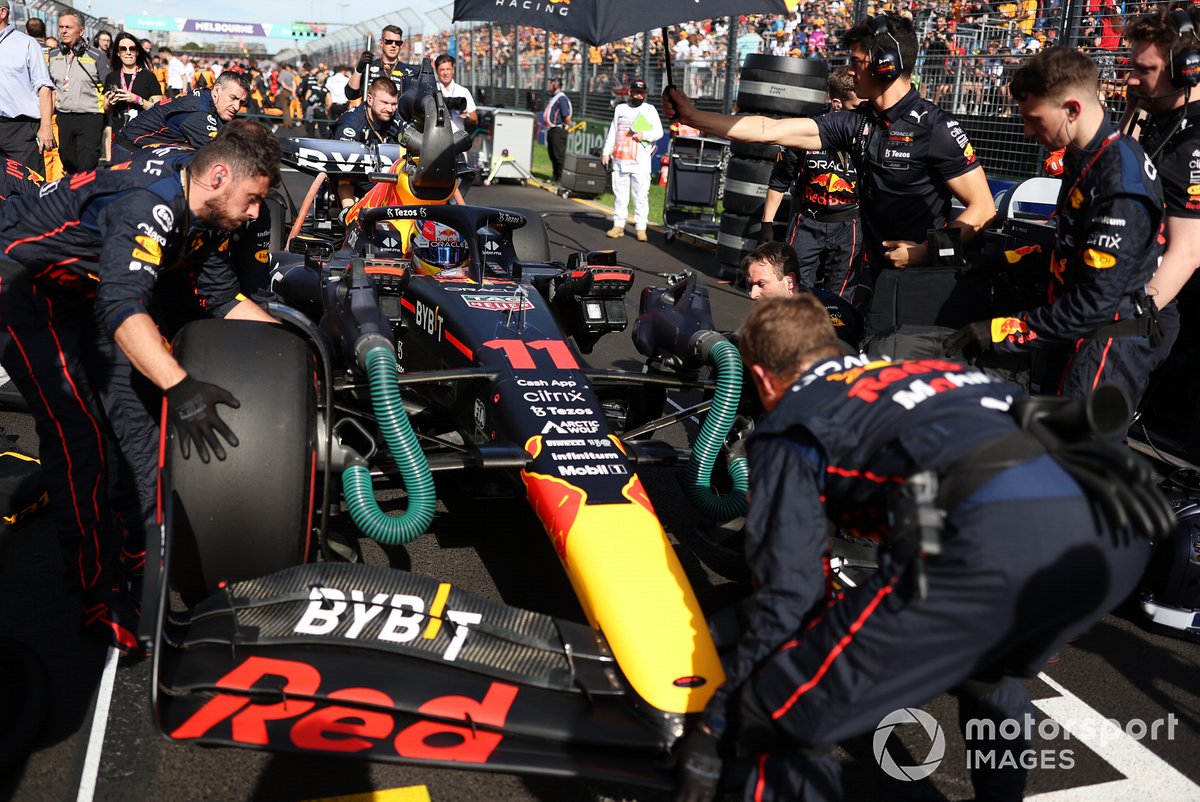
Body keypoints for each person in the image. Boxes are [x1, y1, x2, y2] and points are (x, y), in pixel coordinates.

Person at [674, 293, 1152, 802]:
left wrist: (719, 722)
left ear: (764, 378)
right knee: (990, 665)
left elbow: (787, 598)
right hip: (1120, 527)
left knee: (775, 709)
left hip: (999, 533)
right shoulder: (918, 373)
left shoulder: (794, 422)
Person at [0, 123, 280, 656]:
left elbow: (224, 299)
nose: (253, 214)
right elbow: (125, 310)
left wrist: (302, 355)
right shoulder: (147, 205)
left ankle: (139, 559)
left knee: (143, 430)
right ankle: (95, 597)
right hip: (19, 280)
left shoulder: (202, 208)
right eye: (252, 200)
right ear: (219, 176)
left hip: (86, 291)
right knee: (79, 439)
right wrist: (183, 386)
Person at [664, 15, 995, 324]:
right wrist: (693, 117)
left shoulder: (935, 127)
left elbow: (983, 208)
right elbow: (770, 130)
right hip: (883, 281)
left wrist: (926, 252)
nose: (849, 71)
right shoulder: (857, 122)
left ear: (885, 64)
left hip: (928, 287)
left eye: (856, 61)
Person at [948, 48, 1165, 407]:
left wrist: (1002, 330)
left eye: (1034, 119)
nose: (1027, 132)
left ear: (1072, 109)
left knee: (1076, 457)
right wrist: (1002, 260)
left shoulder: (1118, 179)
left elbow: (1093, 303)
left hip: (1104, 348)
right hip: (1070, 337)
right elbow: (1069, 249)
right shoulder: (1084, 158)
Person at [761, 67, 862, 299]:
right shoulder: (805, 131)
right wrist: (767, 224)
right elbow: (779, 180)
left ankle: (834, 335)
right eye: (856, 107)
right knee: (794, 288)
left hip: (849, 225)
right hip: (807, 221)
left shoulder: (867, 130)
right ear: (837, 104)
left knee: (841, 296)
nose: (862, 113)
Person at [113, 70, 250, 159]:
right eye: (233, 98)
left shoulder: (207, 96)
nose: (237, 107)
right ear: (217, 90)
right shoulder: (198, 113)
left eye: (241, 102)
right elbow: (220, 156)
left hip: (149, 151)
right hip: (130, 151)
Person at [48, 11, 110, 173]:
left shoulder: (97, 56)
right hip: (63, 118)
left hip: (90, 118)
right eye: (61, 27)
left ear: (81, 31)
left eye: (68, 27)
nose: (64, 31)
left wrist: (107, 112)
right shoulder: (54, 55)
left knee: (86, 166)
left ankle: (86, 196)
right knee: (67, 163)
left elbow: (110, 88)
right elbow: (49, 89)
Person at [601, 78, 662, 241]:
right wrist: (606, 152)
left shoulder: (650, 110)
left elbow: (659, 132)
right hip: (620, 160)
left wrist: (645, 135)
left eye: (642, 93)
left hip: (640, 162)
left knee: (641, 196)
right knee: (620, 195)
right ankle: (618, 225)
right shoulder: (620, 109)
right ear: (630, 92)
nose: (639, 95)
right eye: (636, 92)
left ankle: (641, 228)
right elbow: (613, 131)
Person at [0, 0, 54, 173]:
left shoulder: (27, 44)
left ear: (2, 13)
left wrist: (46, 127)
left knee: (28, 188)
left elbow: (44, 87)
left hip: (20, 130)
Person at [334, 76, 400, 213]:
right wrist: (348, 211)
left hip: (388, 180)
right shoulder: (351, 124)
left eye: (394, 104)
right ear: (370, 99)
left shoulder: (394, 117)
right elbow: (343, 173)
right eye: (384, 103)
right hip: (355, 179)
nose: (390, 109)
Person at [102, 31, 163, 155]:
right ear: (118, 53)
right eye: (123, 49)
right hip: (119, 135)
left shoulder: (148, 76)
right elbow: (106, 109)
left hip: (142, 135)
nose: (128, 52)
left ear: (137, 51)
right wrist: (110, 102)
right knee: (118, 172)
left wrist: (137, 100)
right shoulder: (112, 77)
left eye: (132, 48)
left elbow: (159, 109)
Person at [347, 24, 417, 102]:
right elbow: (350, 94)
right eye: (389, 41)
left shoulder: (409, 71)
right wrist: (359, 68)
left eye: (397, 43)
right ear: (381, 42)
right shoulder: (368, 68)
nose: (393, 45)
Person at [434, 54, 477, 133]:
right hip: (437, 136)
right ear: (437, 71)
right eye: (442, 70)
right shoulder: (432, 89)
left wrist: (466, 115)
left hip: (458, 137)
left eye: (448, 69)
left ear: (453, 70)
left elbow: (474, 118)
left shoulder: (463, 91)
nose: (445, 73)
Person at [542, 76, 572, 183]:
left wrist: (567, 126)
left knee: (558, 155)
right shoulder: (554, 97)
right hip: (552, 129)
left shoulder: (561, 98)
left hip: (558, 130)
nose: (549, 85)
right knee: (552, 154)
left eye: (551, 83)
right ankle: (555, 175)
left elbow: (566, 115)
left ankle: (561, 178)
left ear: (556, 85)